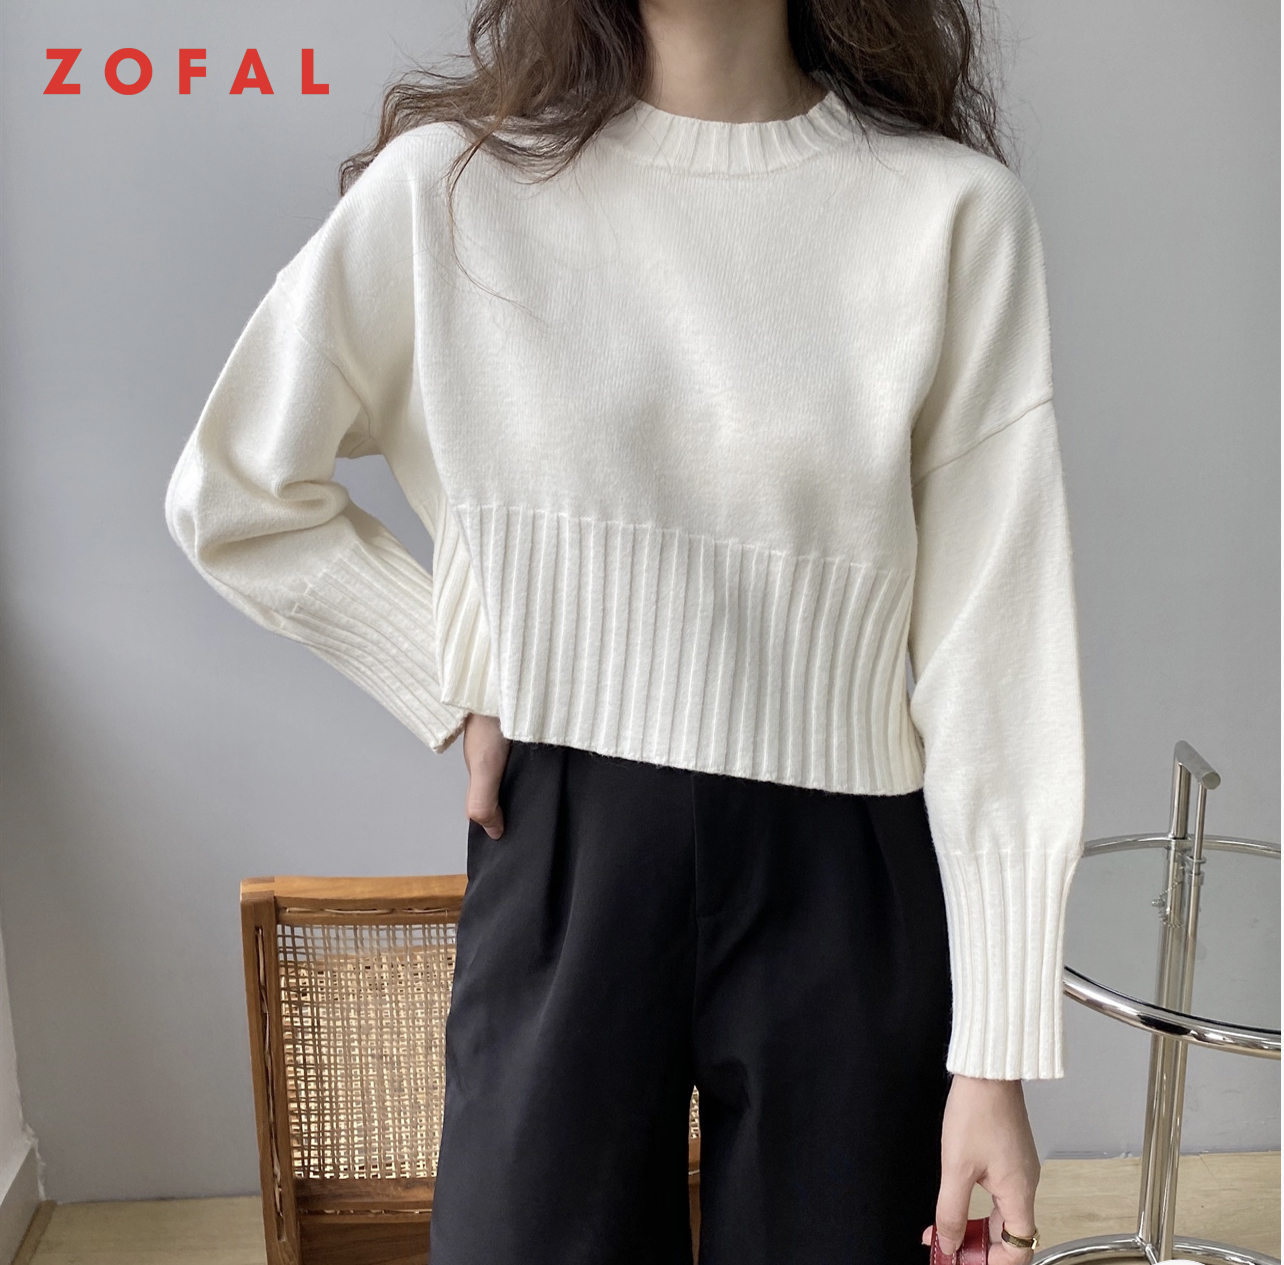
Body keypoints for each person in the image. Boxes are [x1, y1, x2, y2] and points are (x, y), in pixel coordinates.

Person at [163, 0, 1086, 1257]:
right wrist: (457, 672)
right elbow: (235, 493)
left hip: (850, 876)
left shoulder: (953, 215)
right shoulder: (453, 192)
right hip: (566, 841)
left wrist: (995, 1053)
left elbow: (997, 648)